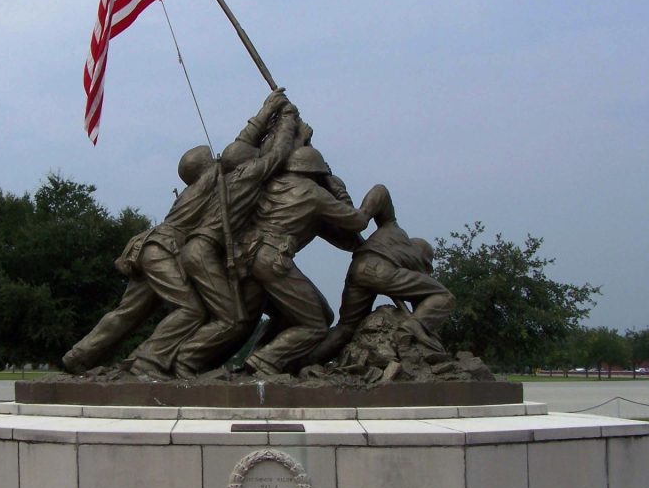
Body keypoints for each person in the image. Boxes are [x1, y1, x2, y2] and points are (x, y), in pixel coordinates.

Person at [136, 89, 297, 377]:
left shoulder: (218, 180)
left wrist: (266, 115)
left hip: (196, 252)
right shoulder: (247, 176)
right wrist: (286, 119)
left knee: (218, 314)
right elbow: (279, 153)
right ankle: (178, 361)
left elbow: (243, 144)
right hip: (201, 252)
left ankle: (168, 360)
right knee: (232, 319)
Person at [61, 145, 217, 375]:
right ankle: (146, 360)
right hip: (162, 250)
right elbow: (239, 158)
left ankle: (78, 356)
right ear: (206, 166)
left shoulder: (191, 190)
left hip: (150, 249)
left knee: (128, 312)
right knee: (192, 310)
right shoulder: (206, 183)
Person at [237, 146, 372, 375]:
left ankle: (257, 359)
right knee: (315, 325)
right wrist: (339, 190)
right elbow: (357, 221)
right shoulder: (314, 194)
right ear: (316, 173)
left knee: (317, 315)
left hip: (249, 257)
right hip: (272, 260)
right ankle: (265, 361)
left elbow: (347, 241)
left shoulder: (273, 185)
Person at [308, 185, 454, 365]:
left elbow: (381, 191)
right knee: (443, 295)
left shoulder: (391, 227)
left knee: (345, 328)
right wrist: (422, 329)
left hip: (357, 268)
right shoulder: (416, 256)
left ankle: (302, 364)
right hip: (382, 271)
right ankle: (407, 331)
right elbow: (422, 303)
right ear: (425, 259)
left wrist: (364, 213)